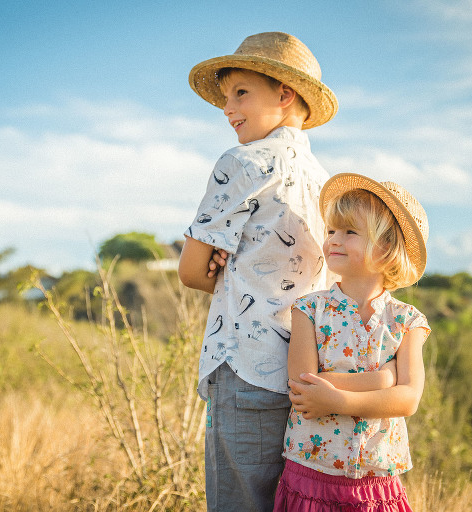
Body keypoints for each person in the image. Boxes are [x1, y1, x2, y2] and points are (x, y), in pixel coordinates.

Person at [178, 32, 340, 512]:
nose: (228, 109)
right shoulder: (324, 181)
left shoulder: (242, 162)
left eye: (241, 92)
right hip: (305, 375)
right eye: (225, 98)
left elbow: (190, 271)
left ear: (285, 93)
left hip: (245, 364)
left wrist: (223, 268)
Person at [274, 173, 431, 512]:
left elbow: (408, 400)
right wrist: (382, 380)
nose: (333, 239)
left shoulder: (407, 321)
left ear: (386, 247)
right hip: (312, 474)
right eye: (331, 230)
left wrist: (338, 399)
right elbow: (304, 386)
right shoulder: (309, 309)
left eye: (350, 232)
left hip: (377, 483)